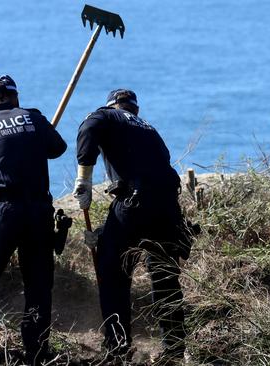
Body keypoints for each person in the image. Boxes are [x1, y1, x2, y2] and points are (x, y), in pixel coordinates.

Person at [74, 89, 189, 364]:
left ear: (113, 106)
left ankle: (117, 350)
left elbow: (88, 127)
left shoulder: (106, 115)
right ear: (136, 109)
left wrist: (83, 179)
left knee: (112, 271)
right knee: (165, 279)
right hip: (168, 211)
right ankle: (174, 349)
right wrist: (105, 231)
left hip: (134, 204)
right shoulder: (151, 131)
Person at [0, 75, 66, 365]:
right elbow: (58, 149)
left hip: (3, 212)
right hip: (38, 211)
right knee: (38, 285)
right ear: (15, 97)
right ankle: (36, 354)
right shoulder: (33, 119)